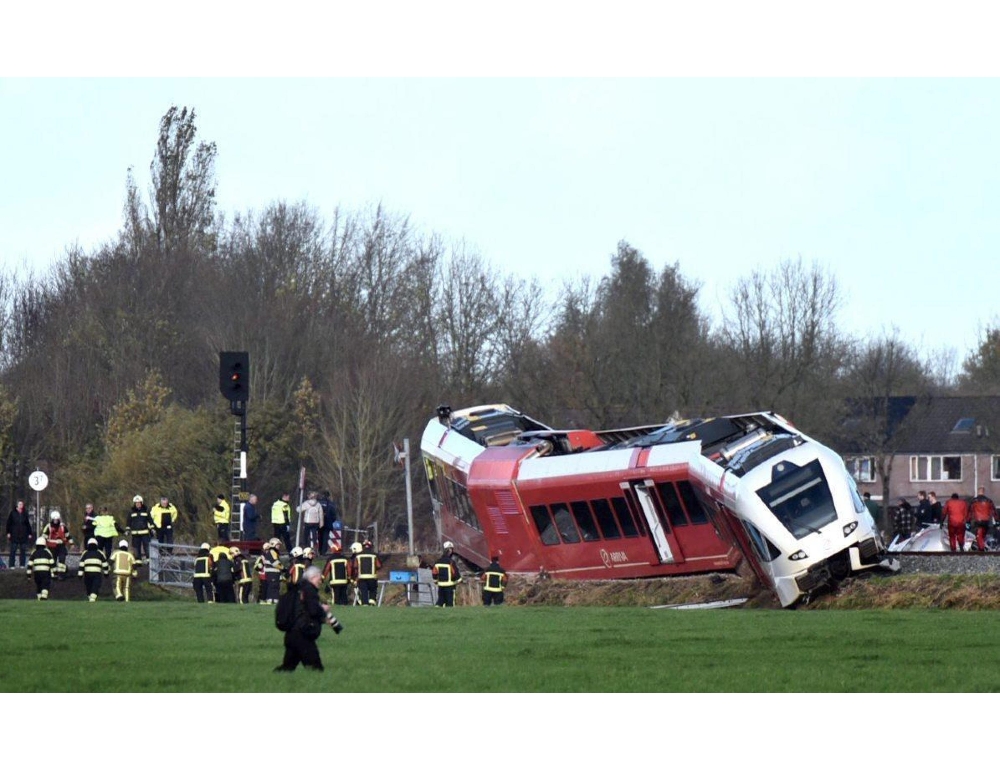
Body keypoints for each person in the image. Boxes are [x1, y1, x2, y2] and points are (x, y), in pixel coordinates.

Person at [274, 566, 342, 673]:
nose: (321, 581)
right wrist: (323, 609)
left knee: (287, 668)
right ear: (313, 577)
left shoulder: (298, 589)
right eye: (319, 578)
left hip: (291, 634)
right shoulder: (309, 590)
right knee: (316, 669)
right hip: (303, 635)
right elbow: (313, 610)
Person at [42, 510, 74, 580]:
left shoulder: (63, 526)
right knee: (52, 561)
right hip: (51, 546)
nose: (56, 521)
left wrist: (71, 544)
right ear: (52, 519)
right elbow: (44, 537)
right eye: (54, 519)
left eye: (57, 519)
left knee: (62, 560)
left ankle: (61, 575)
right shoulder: (48, 527)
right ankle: (54, 574)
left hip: (61, 546)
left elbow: (68, 535)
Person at [77, 537, 110, 601]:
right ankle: (93, 597)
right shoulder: (100, 553)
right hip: (97, 573)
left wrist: (80, 574)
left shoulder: (85, 553)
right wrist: (106, 573)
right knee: (96, 585)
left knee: (88, 585)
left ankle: (90, 596)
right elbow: (105, 564)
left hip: (87, 573)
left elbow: (81, 564)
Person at [350, 539, 381, 606]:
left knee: (364, 591)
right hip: (372, 577)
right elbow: (379, 565)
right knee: (373, 590)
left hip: (361, 577)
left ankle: (365, 604)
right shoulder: (374, 555)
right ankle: (372, 602)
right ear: (371, 546)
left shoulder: (358, 555)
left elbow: (355, 566)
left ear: (363, 546)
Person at [432, 540, 462, 607]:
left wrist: (436, 581)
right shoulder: (451, 562)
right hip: (449, 586)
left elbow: (434, 573)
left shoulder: (438, 562)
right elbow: (455, 573)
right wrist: (459, 580)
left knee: (440, 601)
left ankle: (435, 612)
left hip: (441, 585)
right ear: (450, 550)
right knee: (450, 603)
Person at [6, 499, 33, 569]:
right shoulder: (12, 513)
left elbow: (28, 524)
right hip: (14, 534)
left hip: (23, 534)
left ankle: (22, 565)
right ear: (17, 505)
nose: (21, 505)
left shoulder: (25, 513)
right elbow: (8, 523)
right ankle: (11, 565)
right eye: (20, 504)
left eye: (22, 504)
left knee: (23, 550)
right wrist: (8, 532)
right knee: (13, 550)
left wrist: (30, 533)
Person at [27, 536, 55, 600]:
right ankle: (44, 598)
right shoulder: (47, 552)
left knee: (38, 585)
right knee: (45, 585)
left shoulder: (34, 552)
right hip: (45, 573)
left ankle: (39, 599)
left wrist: (28, 575)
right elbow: (52, 563)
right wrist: (54, 574)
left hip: (37, 573)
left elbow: (29, 565)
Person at [127, 495, 154, 564]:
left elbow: (150, 520)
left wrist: (152, 528)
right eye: (136, 503)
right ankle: (138, 560)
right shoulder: (131, 512)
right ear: (134, 503)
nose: (138, 504)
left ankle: (148, 560)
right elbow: (128, 522)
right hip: (135, 533)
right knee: (136, 547)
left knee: (147, 547)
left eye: (139, 503)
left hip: (144, 533)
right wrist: (127, 530)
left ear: (141, 503)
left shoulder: (146, 511)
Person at [969, 486, 997, 551]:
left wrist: (968, 521)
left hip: (977, 521)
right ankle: (981, 547)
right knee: (982, 535)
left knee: (979, 535)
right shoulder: (989, 501)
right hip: (986, 521)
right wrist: (997, 520)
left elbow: (970, 511)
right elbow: (994, 511)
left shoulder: (974, 501)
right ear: (984, 492)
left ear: (978, 491)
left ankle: (981, 549)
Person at [261, 538, 284, 604]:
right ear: (273, 544)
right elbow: (275, 562)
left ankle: (274, 599)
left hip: (273, 572)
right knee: (273, 586)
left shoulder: (273, 552)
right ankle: (271, 599)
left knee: (274, 586)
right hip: (272, 572)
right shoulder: (272, 552)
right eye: (277, 545)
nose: (279, 546)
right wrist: (283, 568)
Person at [318, 490, 340, 555]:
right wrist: (331, 521)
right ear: (328, 496)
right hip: (328, 523)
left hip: (319, 523)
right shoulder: (331, 504)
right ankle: (323, 551)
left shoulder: (318, 503)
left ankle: (319, 551)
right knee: (325, 538)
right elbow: (334, 515)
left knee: (320, 537)